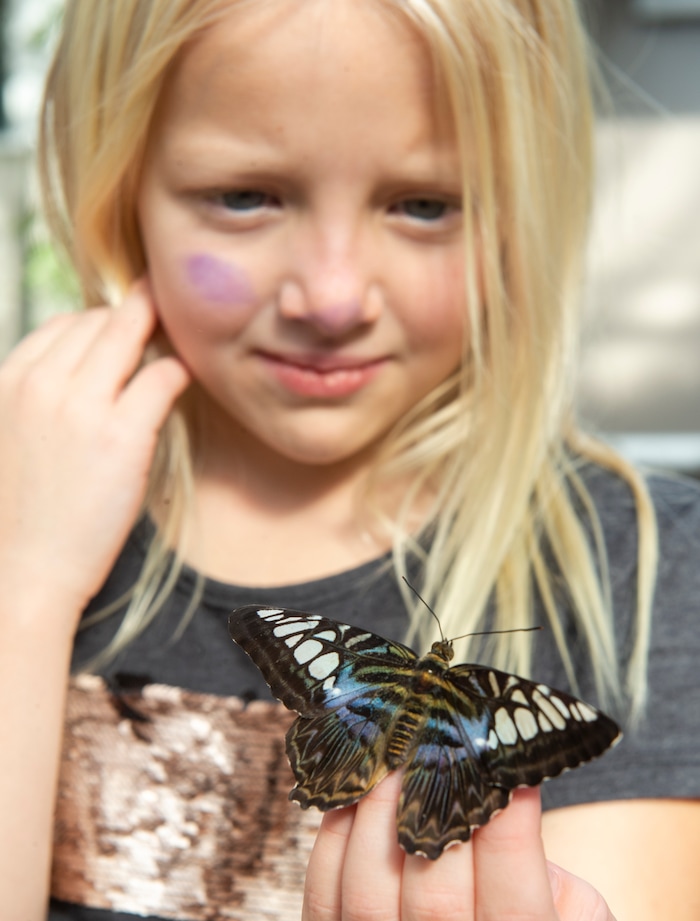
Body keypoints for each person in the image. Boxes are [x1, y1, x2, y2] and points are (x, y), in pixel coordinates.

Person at [0, 0, 698, 918]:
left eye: (424, 206)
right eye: (244, 196)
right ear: (117, 192)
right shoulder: (23, 512)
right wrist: (26, 583)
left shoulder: (637, 573)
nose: (331, 296)